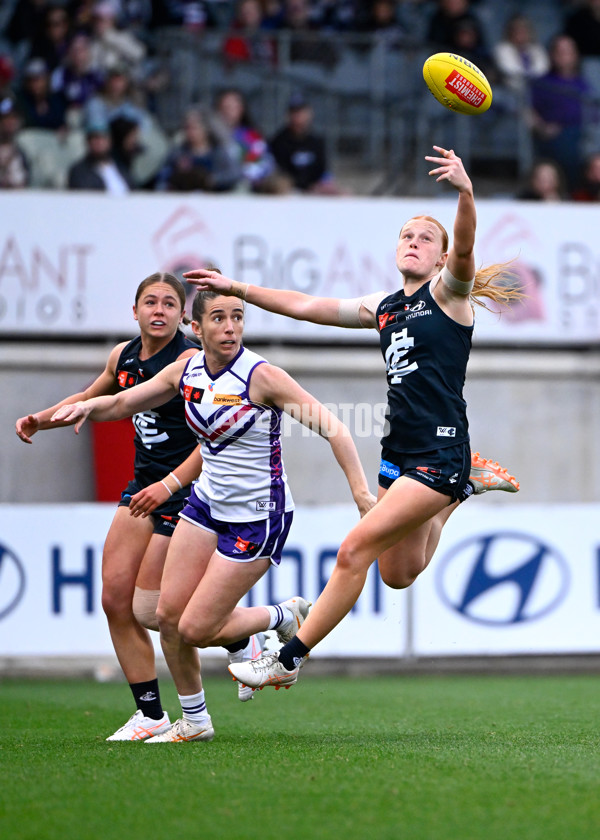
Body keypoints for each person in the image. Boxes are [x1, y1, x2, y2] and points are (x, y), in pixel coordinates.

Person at [183, 145, 523, 691]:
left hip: (438, 449)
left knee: (353, 549)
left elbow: (466, 250)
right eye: (406, 236)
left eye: (424, 239)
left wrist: (465, 193)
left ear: (439, 258)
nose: (413, 243)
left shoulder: (450, 294)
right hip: (399, 452)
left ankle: (287, 656)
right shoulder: (384, 307)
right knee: (397, 574)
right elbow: (307, 305)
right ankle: (461, 492)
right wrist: (239, 289)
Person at [49, 281, 376, 741]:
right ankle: (194, 721)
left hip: (258, 515)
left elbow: (335, 429)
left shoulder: (262, 376)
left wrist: (361, 494)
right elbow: (123, 401)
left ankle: (280, 617)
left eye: (237, 317)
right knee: (165, 616)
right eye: (219, 318)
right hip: (204, 505)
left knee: (197, 627)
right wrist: (74, 410)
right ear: (195, 327)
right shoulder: (187, 370)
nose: (230, 327)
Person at [15, 272, 212, 741]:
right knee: (113, 599)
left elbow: (214, 434)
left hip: (183, 490)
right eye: (150, 302)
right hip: (141, 486)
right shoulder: (122, 356)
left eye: (169, 303)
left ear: (183, 315)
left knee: (158, 611)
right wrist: (42, 421)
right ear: (135, 310)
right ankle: (150, 714)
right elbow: (91, 398)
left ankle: (247, 635)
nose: (159, 310)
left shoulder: (188, 359)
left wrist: (171, 483)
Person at [528, 34, 594, 192]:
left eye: (569, 51)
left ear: (576, 55)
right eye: (560, 51)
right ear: (552, 54)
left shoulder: (584, 85)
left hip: (583, 138)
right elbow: (528, 110)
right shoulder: (542, 84)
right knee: (566, 145)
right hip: (553, 140)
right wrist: (542, 127)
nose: (564, 56)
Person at [268, 92, 344, 194]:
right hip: (289, 192)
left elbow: (323, 172)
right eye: (294, 112)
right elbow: (279, 173)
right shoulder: (278, 142)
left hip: (314, 191)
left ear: (309, 113)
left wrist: (324, 185)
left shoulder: (316, 142)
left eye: (301, 112)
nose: (298, 116)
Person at [67, 115, 133, 192]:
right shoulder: (79, 171)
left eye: (103, 137)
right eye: (95, 138)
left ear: (110, 141)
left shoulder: (122, 168)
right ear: (88, 142)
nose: (99, 142)